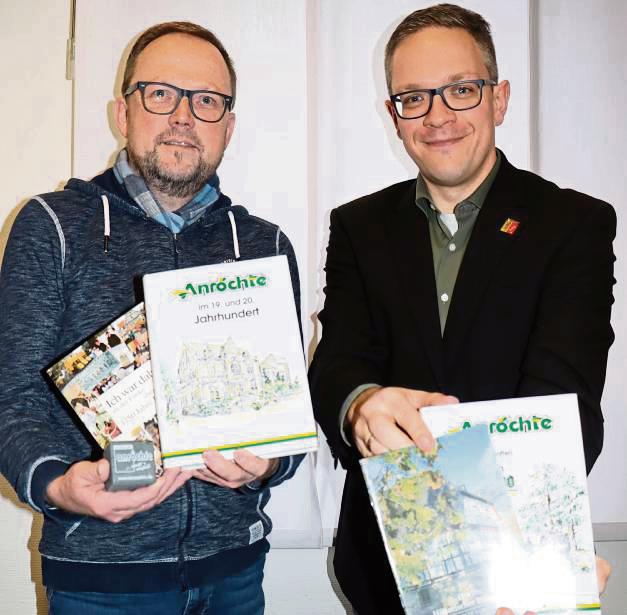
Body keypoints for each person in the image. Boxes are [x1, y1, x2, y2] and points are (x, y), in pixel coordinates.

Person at [308, 4, 615, 614]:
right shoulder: (359, 226)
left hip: (513, 565)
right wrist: (361, 404)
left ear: (498, 100)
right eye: (414, 98)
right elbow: (337, 362)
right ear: (394, 116)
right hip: (382, 563)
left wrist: (517, 557)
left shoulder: (574, 223)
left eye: (461, 90)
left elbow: (567, 395)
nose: (438, 116)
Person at [0, 21, 303, 615]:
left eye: (207, 101)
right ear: (123, 111)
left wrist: (269, 463)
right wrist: (61, 486)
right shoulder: (52, 226)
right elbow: (10, 399)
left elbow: (291, 413)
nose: (184, 116)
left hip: (236, 577)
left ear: (229, 126)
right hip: (100, 584)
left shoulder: (265, 245)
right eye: (161, 93)